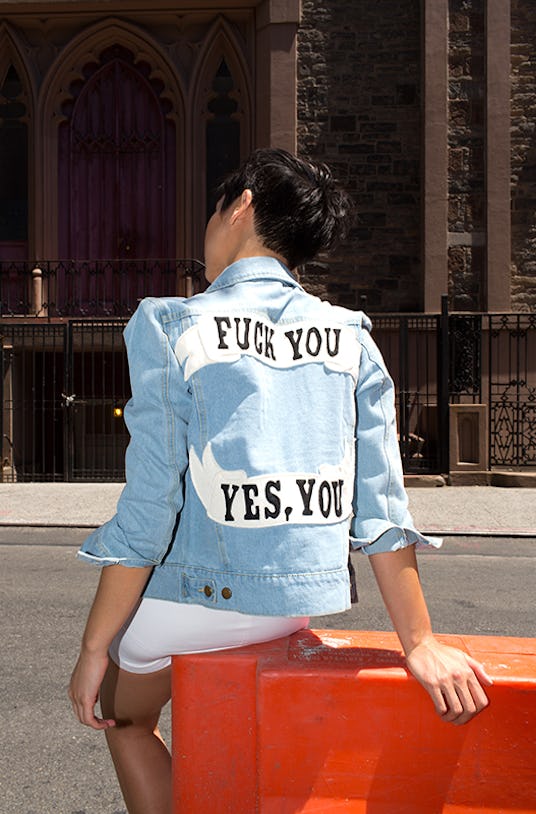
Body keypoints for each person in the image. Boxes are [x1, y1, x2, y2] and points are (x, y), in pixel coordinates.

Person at [69, 148, 492, 814]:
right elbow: (381, 512)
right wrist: (421, 642)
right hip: (292, 602)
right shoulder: (352, 336)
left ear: (239, 207)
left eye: (215, 210)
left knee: (124, 719)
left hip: (191, 602)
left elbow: (150, 510)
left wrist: (95, 646)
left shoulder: (170, 322)